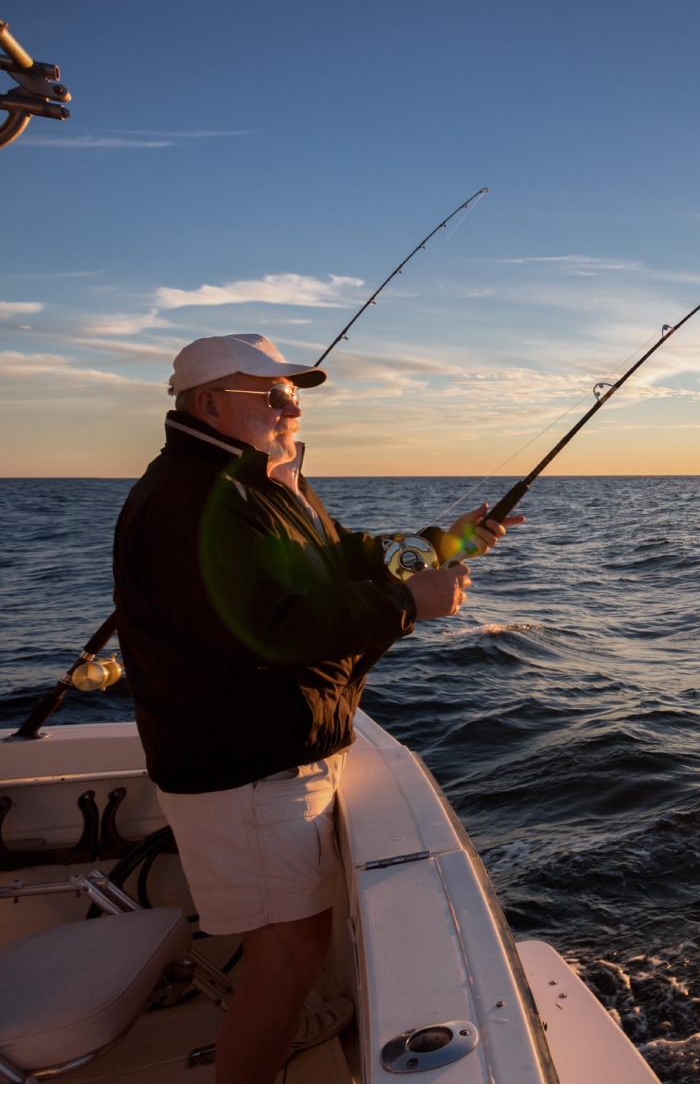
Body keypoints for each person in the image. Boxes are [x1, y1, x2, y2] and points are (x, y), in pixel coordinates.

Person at [111, 333, 523, 1082]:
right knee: (289, 957)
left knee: (295, 948)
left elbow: (340, 561)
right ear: (208, 404)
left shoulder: (260, 487)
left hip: (275, 755)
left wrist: (444, 543)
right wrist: (407, 602)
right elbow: (269, 630)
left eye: (295, 395)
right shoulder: (191, 499)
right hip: (249, 771)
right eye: (271, 395)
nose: (290, 409)